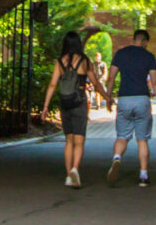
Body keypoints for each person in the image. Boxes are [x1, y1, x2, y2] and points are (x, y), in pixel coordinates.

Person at [39, 31, 113, 188]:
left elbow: (52, 85)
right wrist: (107, 98)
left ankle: (68, 176)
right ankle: (75, 169)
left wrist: (45, 106)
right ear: (79, 44)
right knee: (79, 141)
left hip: (65, 104)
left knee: (69, 141)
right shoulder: (85, 61)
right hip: (79, 102)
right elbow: (96, 84)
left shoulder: (59, 62)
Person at [105, 29, 156, 187]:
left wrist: (108, 97)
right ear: (145, 41)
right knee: (142, 139)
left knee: (122, 136)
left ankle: (117, 157)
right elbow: (155, 82)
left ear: (134, 39)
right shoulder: (149, 56)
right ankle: (143, 176)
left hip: (124, 99)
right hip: (142, 99)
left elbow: (111, 77)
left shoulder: (121, 54)